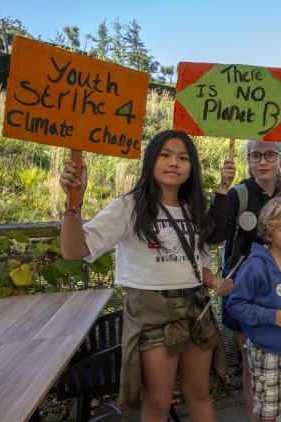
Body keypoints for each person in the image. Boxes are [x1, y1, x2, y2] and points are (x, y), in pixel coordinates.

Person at [59, 130, 230, 421]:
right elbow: (75, 250)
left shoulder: (193, 210)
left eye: (183, 157)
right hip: (152, 313)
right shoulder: (129, 207)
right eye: (165, 155)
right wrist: (74, 203)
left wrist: (215, 281)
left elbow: (197, 268)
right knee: (159, 401)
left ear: (192, 168)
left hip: (196, 311)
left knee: (199, 392)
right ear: (150, 160)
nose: (174, 162)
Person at [207, 140, 281, 422]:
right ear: (248, 159)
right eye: (255, 155)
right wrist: (223, 188)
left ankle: (276, 410)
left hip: (280, 291)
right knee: (252, 362)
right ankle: (256, 416)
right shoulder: (239, 194)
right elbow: (217, 235)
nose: (263, 161)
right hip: (244, 291)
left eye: (270, 154)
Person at [226, 197, 281, 422]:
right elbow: (235, 305)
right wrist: (269, 315)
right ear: (269, 232)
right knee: (268, 410)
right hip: (266, 350)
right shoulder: (255, 266)